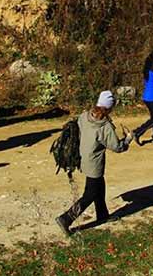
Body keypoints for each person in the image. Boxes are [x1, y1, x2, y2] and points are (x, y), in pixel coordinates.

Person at [55, 91, 133, 236]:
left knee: (99, 185)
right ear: (109, 108)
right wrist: (128, 138)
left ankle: (103, 215)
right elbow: (117, 147)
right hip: (94, 163)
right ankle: (66, 218)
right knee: (89, 194)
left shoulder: (85, 116)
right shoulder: (105, 127)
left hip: (82, 157)